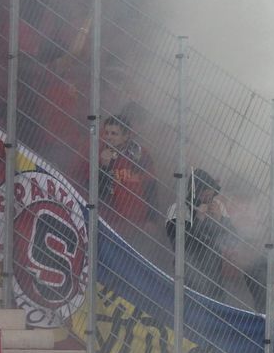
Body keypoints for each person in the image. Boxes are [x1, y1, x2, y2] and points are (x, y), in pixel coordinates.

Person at [166, 168, 236, 300]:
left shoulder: (218, 207)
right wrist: (198, 219)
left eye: (211, 196)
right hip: (186, 276)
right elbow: (179, 244)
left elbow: (234, 240)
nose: (208, 201)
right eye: (205, 196)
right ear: (195, 192)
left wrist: (221, 220)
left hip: (214, 278)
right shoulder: (178, 209)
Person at [99, 114, 157, 238]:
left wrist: (151, 219)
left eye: (114, 134)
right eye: (107, 133)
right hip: (110, 224)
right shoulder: (98, 152)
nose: (108, 137)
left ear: (126, 136)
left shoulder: (140, 155)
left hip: (138, 224)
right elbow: (98, 192)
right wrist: (104, 167)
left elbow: (151, 187)